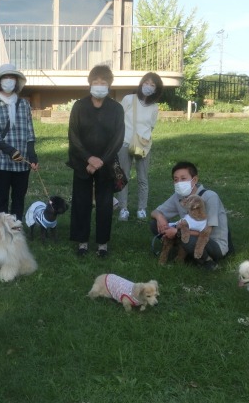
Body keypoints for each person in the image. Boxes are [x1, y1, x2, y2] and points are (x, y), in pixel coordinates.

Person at [67, 64, 125, 257]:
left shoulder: (116, 108)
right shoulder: (79, 106)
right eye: (96, 81)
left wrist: (102, 161)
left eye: (103, 82)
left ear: (109, 84)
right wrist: (88, 158)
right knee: (81, 202)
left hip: (106, 163)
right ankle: (82, 241)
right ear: (90, 83)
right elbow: (73, 135)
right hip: (82, 161)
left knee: (105, 204)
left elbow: (118, 137)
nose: (99, 85)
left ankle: (102, 244)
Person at [149, 161, 231, 269]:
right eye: (176, 180)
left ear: (194, 180)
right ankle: (185, 252)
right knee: (155, 223)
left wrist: (177, 232)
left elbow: (207, 231)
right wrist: (160, 218)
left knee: (188, 238)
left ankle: (208, 261)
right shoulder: (178, 196)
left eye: (183, 179)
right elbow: (155, 212)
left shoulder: (210, 196)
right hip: (188, 233)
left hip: (212, 242)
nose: (179, 183)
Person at [0, 63, 38, 220]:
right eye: (5, 77)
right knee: (1, 200)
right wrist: (10, 151)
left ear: (16, 81)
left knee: (19, 200)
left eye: (11, 77)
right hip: (1, 162)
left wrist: (32, 155)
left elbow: (30, 131)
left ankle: (16, 228)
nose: (8, 80)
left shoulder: (24, 104)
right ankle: (1, 230)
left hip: (22, 163)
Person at [116, 72, 163, 222]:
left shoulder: (154, 107)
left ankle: (142, 209)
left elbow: (151, 126)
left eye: (152, 85)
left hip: (143, 145)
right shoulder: (129, 99)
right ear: (141, 83)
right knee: (123, 176)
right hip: (125, 142)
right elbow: (118, 119)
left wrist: (143, 139)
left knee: (143, 177)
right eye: (146, 83)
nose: (148, 86)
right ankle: (123, 208)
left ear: (156, 89)